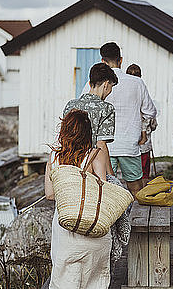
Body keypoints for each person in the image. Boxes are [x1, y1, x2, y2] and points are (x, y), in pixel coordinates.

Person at [43, 109, 113, 289]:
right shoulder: (96, 154)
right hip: (92, 231)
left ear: (65, 130)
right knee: (97, 277)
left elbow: (50, 194)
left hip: (64, 231)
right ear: (88, 132)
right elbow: (103, 187)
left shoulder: (54, 158)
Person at [84, 42, 157, 197]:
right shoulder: (137, 82)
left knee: (103, 190)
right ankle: (137, 220)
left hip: (101, 148)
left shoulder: (93, 84)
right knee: (136, 189)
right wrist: (142, 130)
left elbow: (84, 108)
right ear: (121, 60)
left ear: (102, 61)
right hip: (129, 145)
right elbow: (150, 112)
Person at [64, 62, 118, 176]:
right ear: (106, 84)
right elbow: (101, 144)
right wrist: (111, 175)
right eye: (111, 87)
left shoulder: (70, 105)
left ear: (90, 83)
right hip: (90, 167)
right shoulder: (106, 108)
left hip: (67, 164)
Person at [126, 63, 157, 181]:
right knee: (144, 171)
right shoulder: (144, 93)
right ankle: (143, 196)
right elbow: (153, 123)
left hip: (129, 141)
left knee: (131, 172)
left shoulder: (125, 95)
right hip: (144, 144)